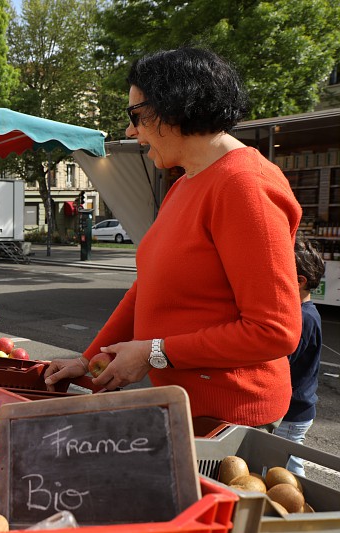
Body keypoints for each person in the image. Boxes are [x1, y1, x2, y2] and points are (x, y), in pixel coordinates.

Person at [44, 47, 302, 428]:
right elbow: (147, 290)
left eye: (136, 115)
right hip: (184, 407)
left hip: (229, 418)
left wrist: (154, 353)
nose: (131, 130)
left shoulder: (245, 184)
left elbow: (274, 331)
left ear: (175, 107)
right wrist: (88, 359)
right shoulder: (185, 184)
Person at [273, 236, 325, 476]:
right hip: (296, 410)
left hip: (292, 413)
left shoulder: (303, 319)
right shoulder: (304, 313)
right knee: (281, 468)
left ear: (300, 281)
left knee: (287, 475)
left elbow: (281, 363)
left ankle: (304, 512)